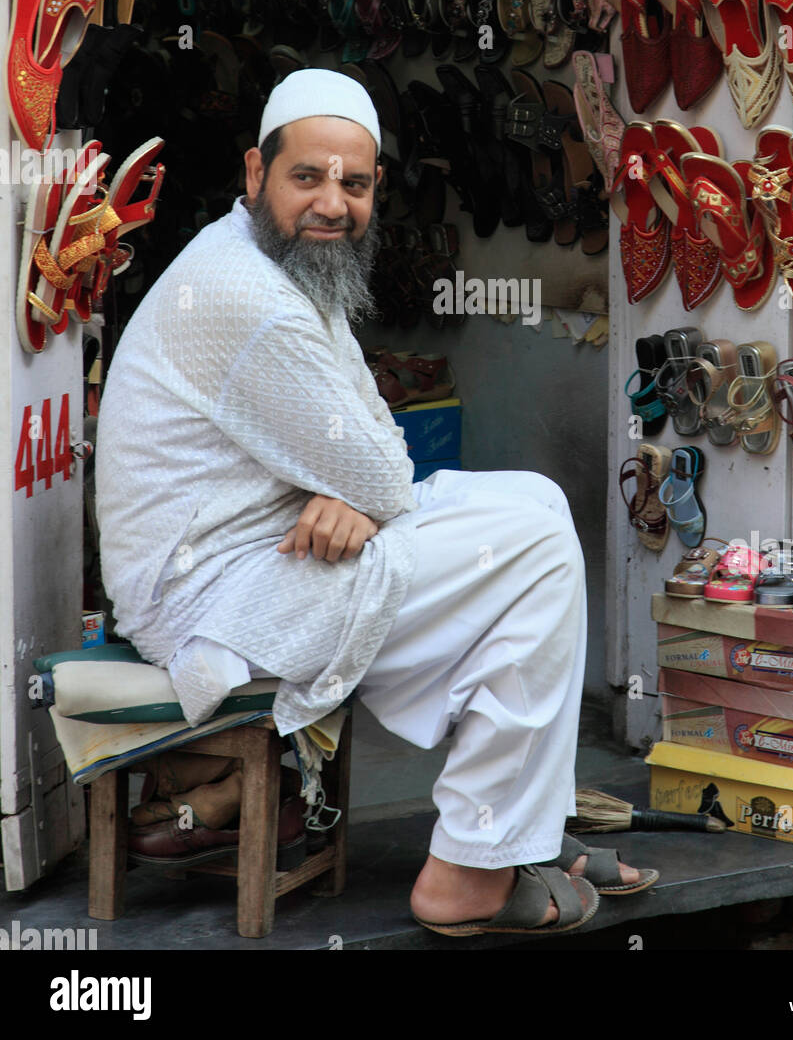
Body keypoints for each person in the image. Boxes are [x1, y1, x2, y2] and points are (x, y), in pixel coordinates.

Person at [95, 69, 653, 937]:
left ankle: (509, 834)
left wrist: (352, 491)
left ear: (375, 189)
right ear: (256, 174)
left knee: (539, 506)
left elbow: (373, 444)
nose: (332, 204)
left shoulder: (269, 260)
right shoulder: (251, 297)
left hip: (266, 556)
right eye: (306, 178)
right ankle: (473, 865)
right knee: (534, 553)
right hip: (210, 600)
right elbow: (387, 474)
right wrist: (354, 488)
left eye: (353, 185)